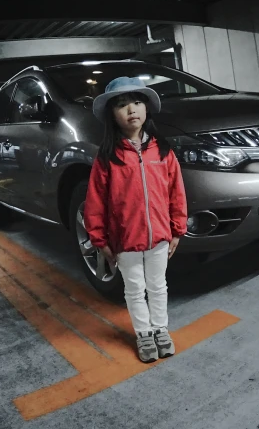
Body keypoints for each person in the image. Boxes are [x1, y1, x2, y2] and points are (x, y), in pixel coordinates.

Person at [83, 76, 188, 363]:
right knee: (134, 288)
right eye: (122, 104)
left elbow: (176, 192)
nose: (132, 109)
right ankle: (143, 334)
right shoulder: (106, 158)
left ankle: (160, 329)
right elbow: (95, 202)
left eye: (138, 101)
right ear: (111, 115)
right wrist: (99, 239)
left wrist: (177, 229)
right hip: (125, 240)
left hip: (159, 237)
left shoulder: (162, 151)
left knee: (157, 285)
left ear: (147, 109)